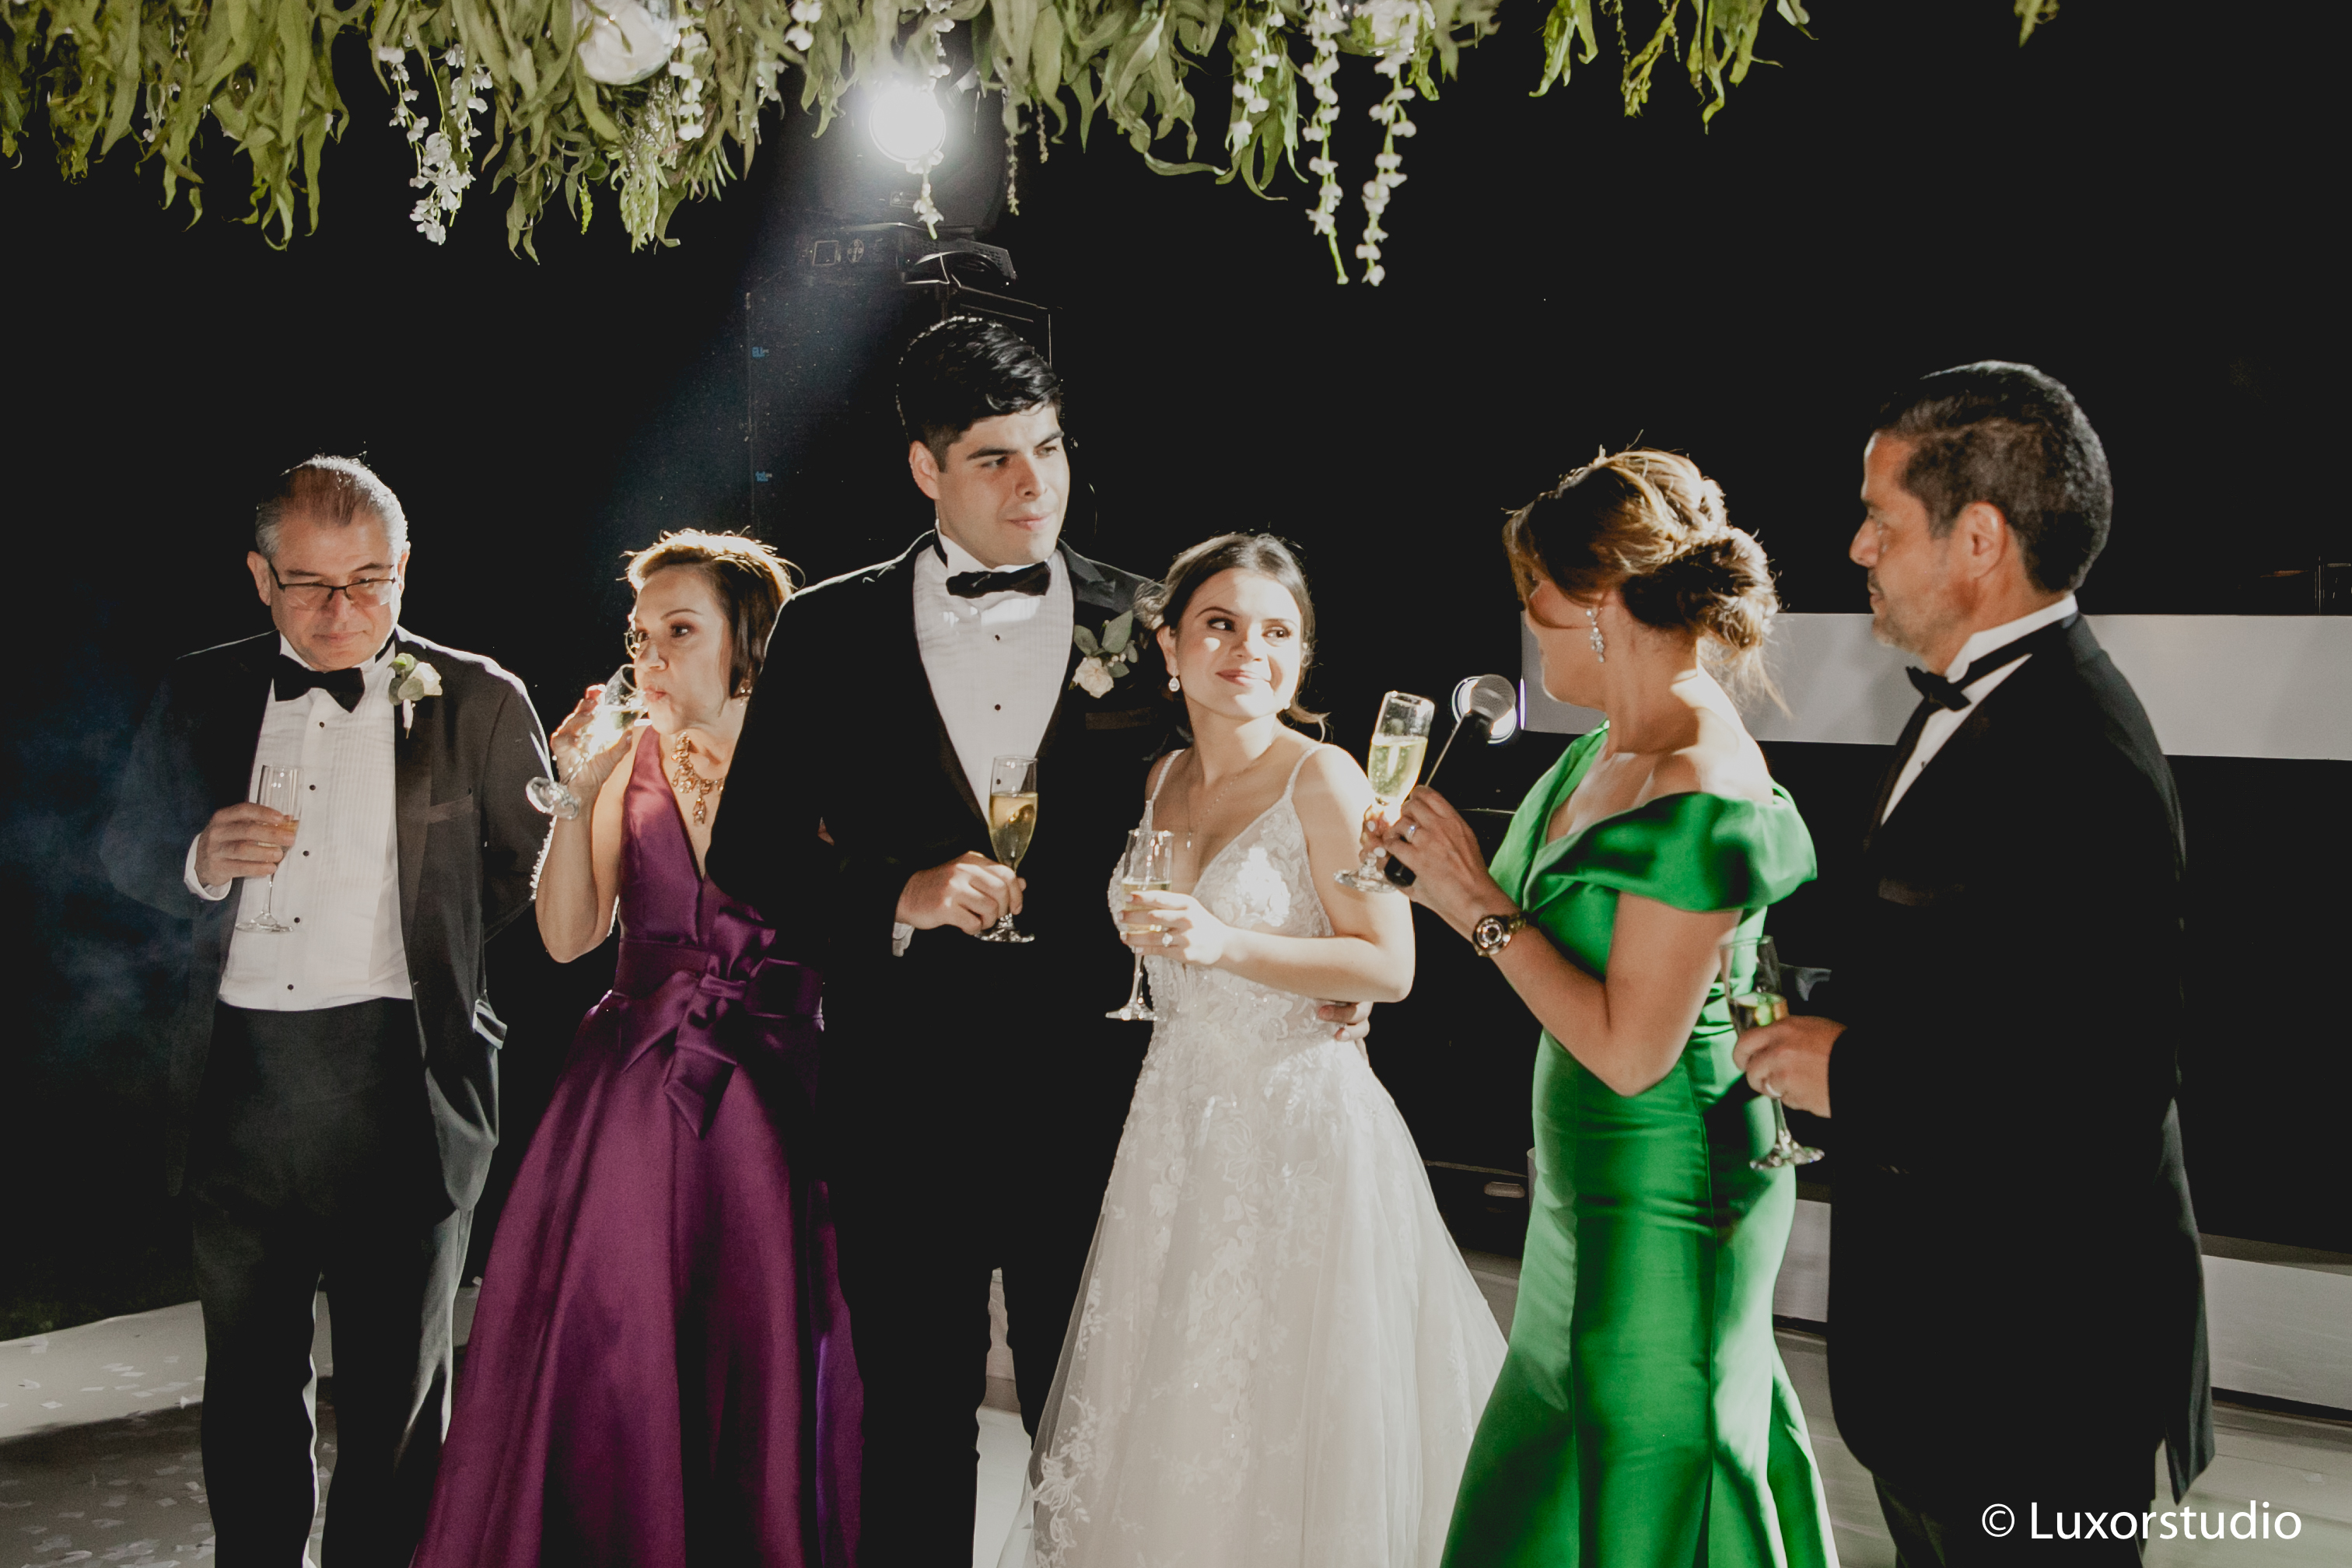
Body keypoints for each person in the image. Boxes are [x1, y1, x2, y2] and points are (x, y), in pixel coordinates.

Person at [705, 317, 1371, 1565]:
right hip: (901, 1092)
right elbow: (745, 855)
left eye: (1050, 449)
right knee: (914, 1414)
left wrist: (1317, 954)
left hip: (1106, 1093)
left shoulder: (1152, 621)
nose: (1034, 484)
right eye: (995, 459)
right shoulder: (831, 629)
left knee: (1101, 1418)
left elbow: (1260, 779)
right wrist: (897, 892)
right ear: (925, 469)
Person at [1733, 363, 2210, 1563]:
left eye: (1880, 520)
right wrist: (1818, 1008)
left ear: (1981, 539)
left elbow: (2103, 1091)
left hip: (2037, 1375)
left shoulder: (2085, 755)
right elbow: (1987, 981)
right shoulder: (1984, 702)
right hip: (1951, 1369)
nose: (1857, 547)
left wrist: (1852, 1073)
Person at [1006, 534, 1508, 1567]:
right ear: (1168, 645)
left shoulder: (1325, 778)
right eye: (1221, 625)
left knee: (1285, 1407)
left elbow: (1389, 966)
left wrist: (1225, 942)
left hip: (1298, 1133)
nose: (1250, 650)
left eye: (1278, 632)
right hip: (1173, 1120)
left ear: (1303, 656)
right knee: (1180, 1400)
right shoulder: (1160, 778)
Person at [1375, 450, 1838, 1567]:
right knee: (1558, 1463)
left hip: (1672, 1192)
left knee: (1648, 1471)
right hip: (1587, 1186)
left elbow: (1633, 1052)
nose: (1526, 616)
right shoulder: (1601, 748)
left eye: (1536, 589)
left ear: (1600, 602)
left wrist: (1477, 905)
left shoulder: (1698, 779)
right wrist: (1434, 875)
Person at [100, 457, 550, 1566]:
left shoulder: (480, 698)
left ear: (406, 569)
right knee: (248, 1388)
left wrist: (432, 945)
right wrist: (198, 860)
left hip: (404, 1082)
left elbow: (526, 872)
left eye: (369, 581)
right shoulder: (199, 690)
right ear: (261, 578)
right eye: (309, 584)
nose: (343, 610)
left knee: (397, 1403)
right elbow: (123, 848)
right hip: (239, 1085)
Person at [413, 531, 860, 1566]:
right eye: (639, 636)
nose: (648, 658)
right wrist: (577, 790)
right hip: (631, 1102)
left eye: (679, 632)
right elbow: (569, 936)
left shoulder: (828, 763)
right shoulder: (628, 763)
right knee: (617, 1343)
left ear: (751, 642)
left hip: (785, 1095)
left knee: (770, 1347)